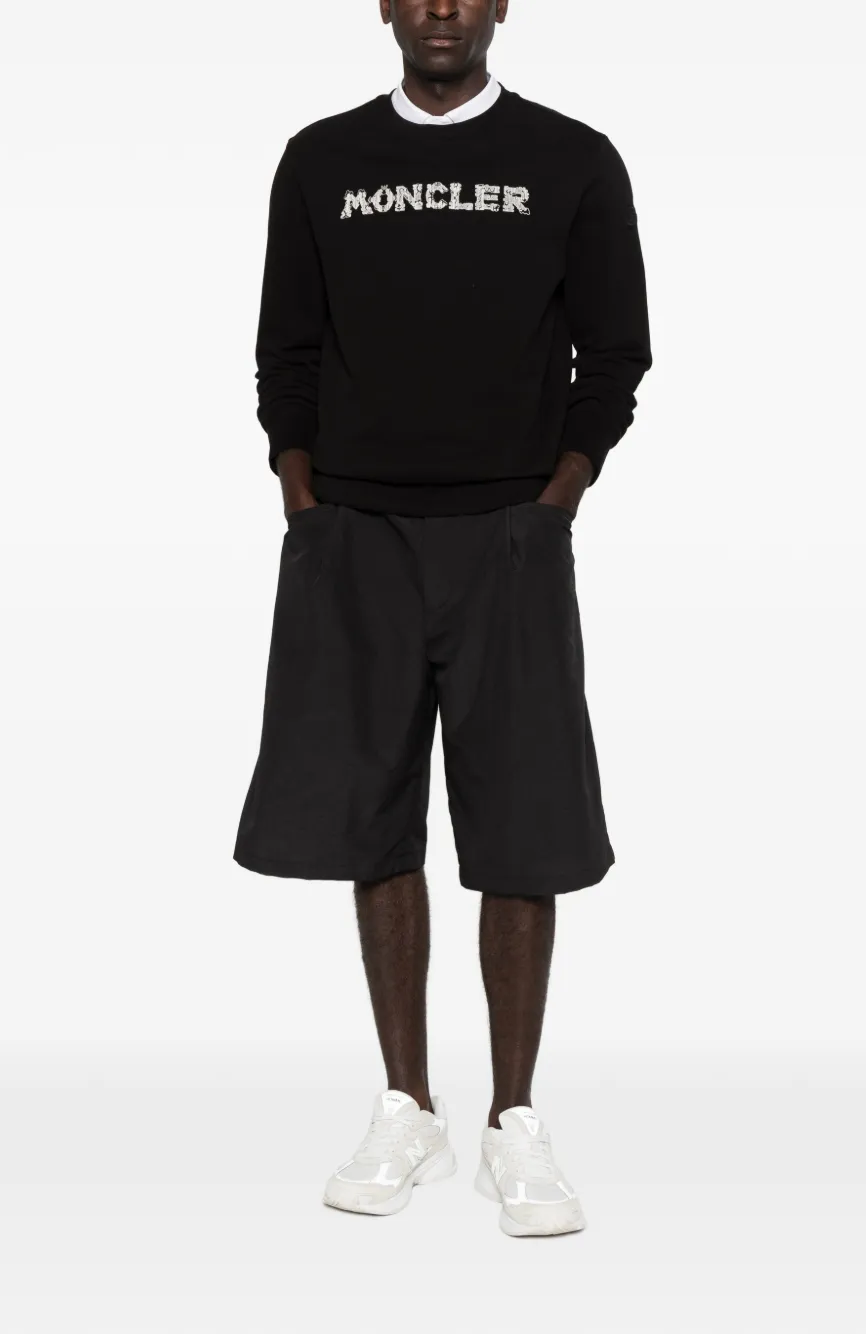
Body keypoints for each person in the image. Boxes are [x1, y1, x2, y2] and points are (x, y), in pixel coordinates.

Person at [234, 0, 651, 1238]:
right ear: (383, 4)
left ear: (500, 5)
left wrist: (555, 497)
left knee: (523, 822)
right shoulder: (322, 159)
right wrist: (303, 492)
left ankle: (512, 1119)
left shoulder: (571, 158)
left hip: (509, 533)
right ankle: (405, 1102)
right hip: (354, 529)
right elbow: (284, 350)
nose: (439, 9)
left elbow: (615, 355)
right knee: (372, 812)